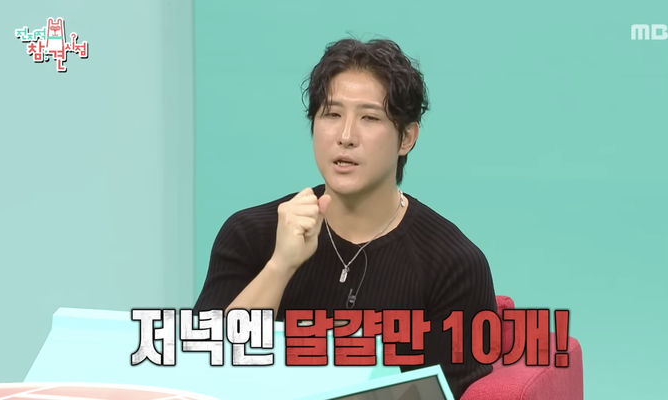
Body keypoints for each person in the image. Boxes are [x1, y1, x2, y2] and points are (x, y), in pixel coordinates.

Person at [194, 38, 497, 398]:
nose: (346, 136)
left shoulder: (454, 264)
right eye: (332, 115)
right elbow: (202, 372)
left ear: (407, 138)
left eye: (369, 118)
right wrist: (280, 266)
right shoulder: (249, 234)